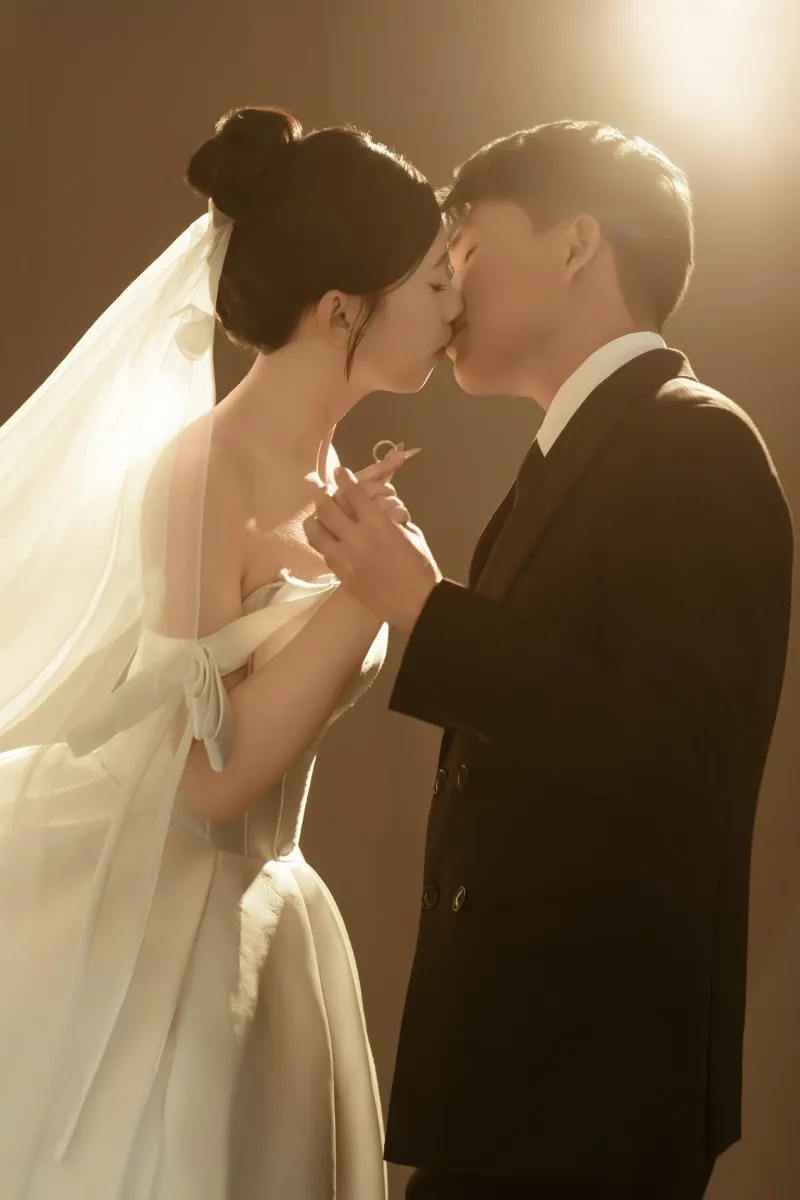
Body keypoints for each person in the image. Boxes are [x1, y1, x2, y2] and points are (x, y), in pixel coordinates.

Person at [305, 120, 794, 1200]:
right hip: (525, 1083)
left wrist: (426, 611)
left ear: (575, 244)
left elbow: (673, 752)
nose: (445, 283)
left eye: (466, 245)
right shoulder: (580, 452)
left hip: (592, 1093)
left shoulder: (694, 440)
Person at [0, 106, 460, 1200]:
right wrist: (366, 599)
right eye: (437, 278)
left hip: (266, 910)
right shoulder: (205, 468)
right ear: (341, 308)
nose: (457, 302)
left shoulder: (333, 482)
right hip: (169, 931)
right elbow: (204, 784)